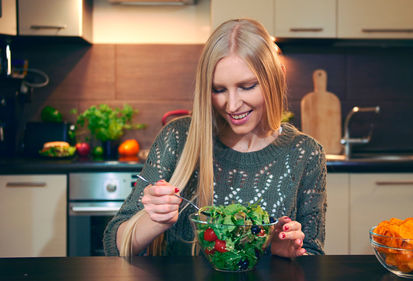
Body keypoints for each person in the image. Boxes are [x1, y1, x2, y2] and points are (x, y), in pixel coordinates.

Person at [103, 18, 327, 258]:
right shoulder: (178, 138)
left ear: (278, 78)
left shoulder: (305, 153)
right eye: (218, 89)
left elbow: (313, 256)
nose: (231, 105)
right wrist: (154, 221)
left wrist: (284, 250)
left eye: (247, 86)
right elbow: (113, 246)